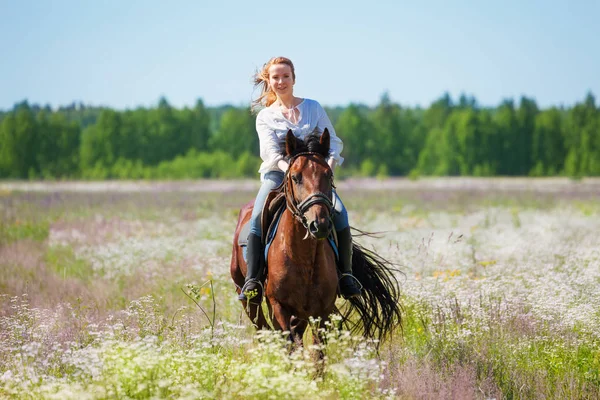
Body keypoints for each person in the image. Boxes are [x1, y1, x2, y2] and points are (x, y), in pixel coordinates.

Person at [238, 56, 362, 303]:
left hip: (313, 176)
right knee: (257, 214)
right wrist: (290, 170)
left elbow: (334, 142)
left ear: (294, 79)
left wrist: (327, 168)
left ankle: (346, 276)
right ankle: (253, 280)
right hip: (278, 174)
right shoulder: (265, 117)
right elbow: (271, 154)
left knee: (340, 212)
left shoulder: (313, 107)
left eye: (286, 76)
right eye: (276, 77)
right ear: (269, 81)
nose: (281, 81)